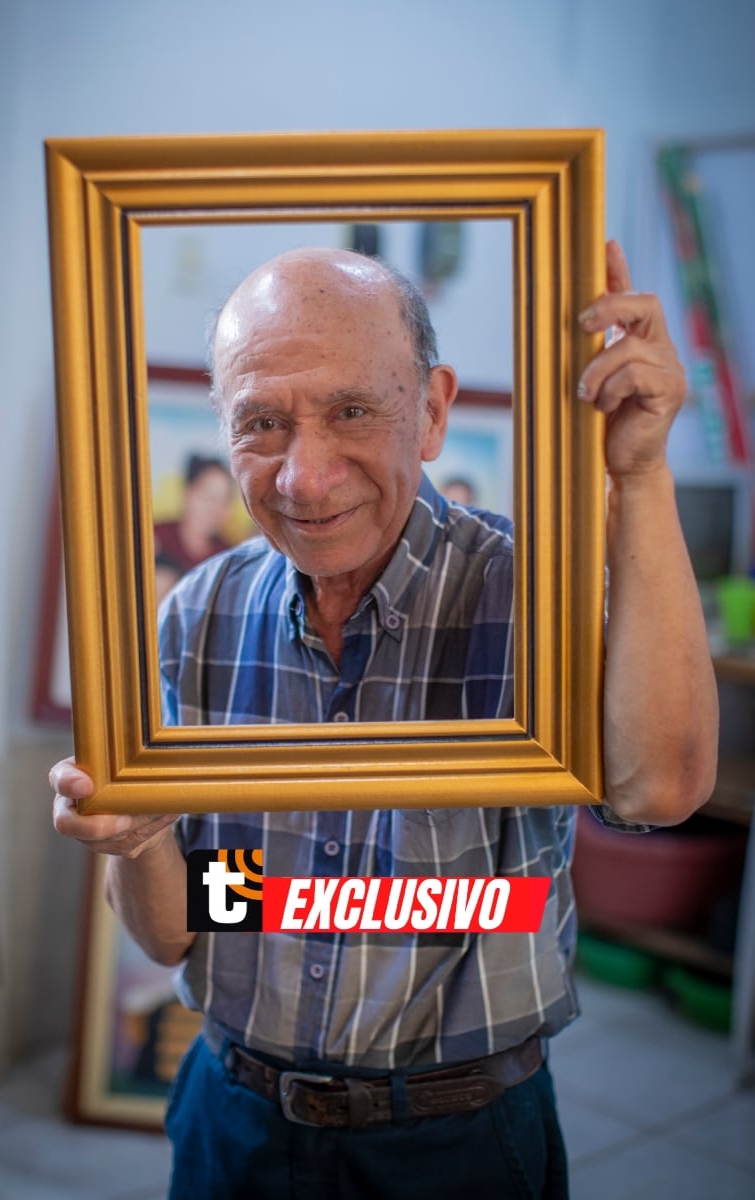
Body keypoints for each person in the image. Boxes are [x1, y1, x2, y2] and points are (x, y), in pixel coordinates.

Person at [51, 243, 718, 1199]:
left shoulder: (536, 593)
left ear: (435, 409)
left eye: (352, 411)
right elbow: (186, 932)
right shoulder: (197, 614)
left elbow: (657, 790)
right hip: (234, 1115)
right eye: (263, 423)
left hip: (461, 1142)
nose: (305, 478)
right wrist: (142, 838)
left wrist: (642, 476)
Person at [153, 454, 235, 602]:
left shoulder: (227, 556)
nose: (215, 508)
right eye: (208, 497)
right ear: (188, 493)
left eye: (224, 500)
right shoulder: (155, 537)